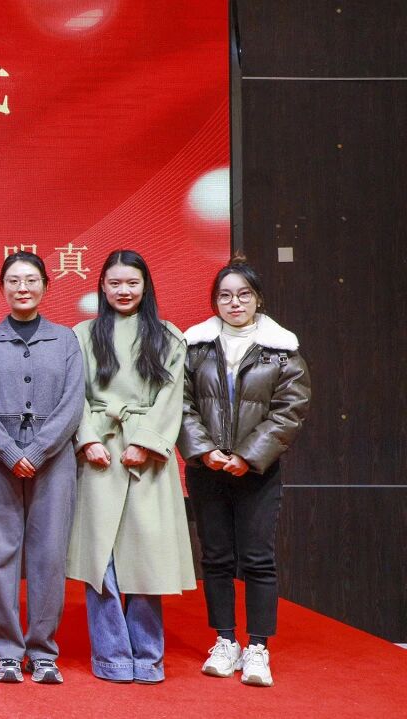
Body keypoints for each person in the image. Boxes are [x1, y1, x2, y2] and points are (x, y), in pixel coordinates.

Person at [66, 249, 196, 684]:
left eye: (132, 283)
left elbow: (173, 398)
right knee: (99, 561)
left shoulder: (168, 336)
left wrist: (145, 443)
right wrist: (86, 440)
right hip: (99, 454)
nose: (124, 290)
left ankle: (149, 657)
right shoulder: (82, 335)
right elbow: (73, 395)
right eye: (115, 283)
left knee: (146, 560)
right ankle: (112, 658)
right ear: (102, 286)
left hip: (148, 461)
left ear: (145, 286)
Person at [179, 260, 310, 687]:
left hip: (257, 471)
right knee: (215, 558)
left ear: (257, 299)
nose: (234, 303)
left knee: (258, 559)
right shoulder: (195, 347)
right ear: (214, 301)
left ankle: (257, 647)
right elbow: (181, 404)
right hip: (207, 470)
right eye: (225, 295)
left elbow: (290, 411)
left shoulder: (282, 349)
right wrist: (205, 452)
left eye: (243, 294)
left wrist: (248, 457)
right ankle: (225, 640)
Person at [0, 252, 84, 685]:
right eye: (14, 280)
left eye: (31, 280)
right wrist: (6, 449)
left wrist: (36, 451)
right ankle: (7, 652)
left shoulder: (66, 340)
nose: (23, 288)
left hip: (53, 460)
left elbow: (73, 402)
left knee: (49, 554)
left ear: (46, 287)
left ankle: (43, 650)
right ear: (1, 288)